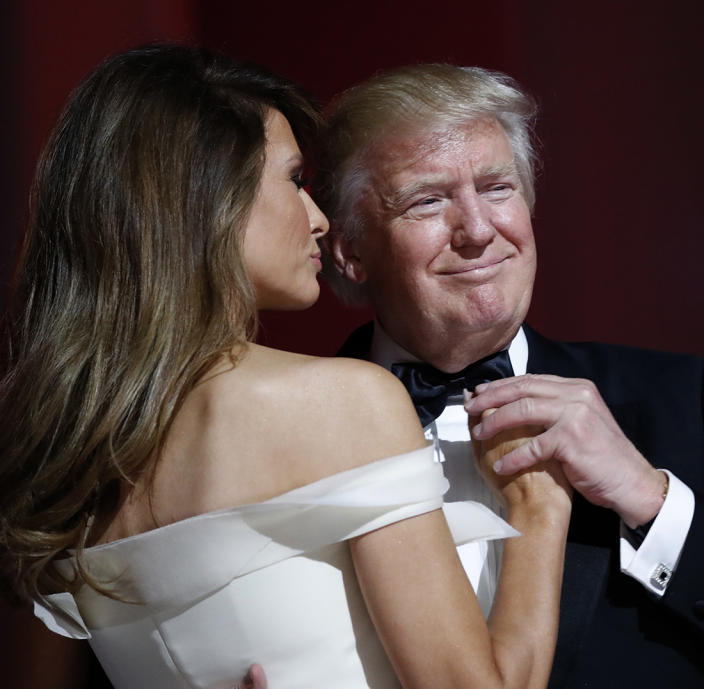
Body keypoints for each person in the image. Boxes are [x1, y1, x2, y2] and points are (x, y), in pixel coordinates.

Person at [0, 45, 572, 689]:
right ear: (210, 197)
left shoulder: (67, 449)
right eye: (295, 180)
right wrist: (539, 512)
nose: (320, 219)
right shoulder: (348, 401)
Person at [313, 63, 704, 688]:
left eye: (497, 188)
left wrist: (647, 497)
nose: (478, 230)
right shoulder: (286, 429)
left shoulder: (671, 401)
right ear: (351, 250)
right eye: (428, 199)